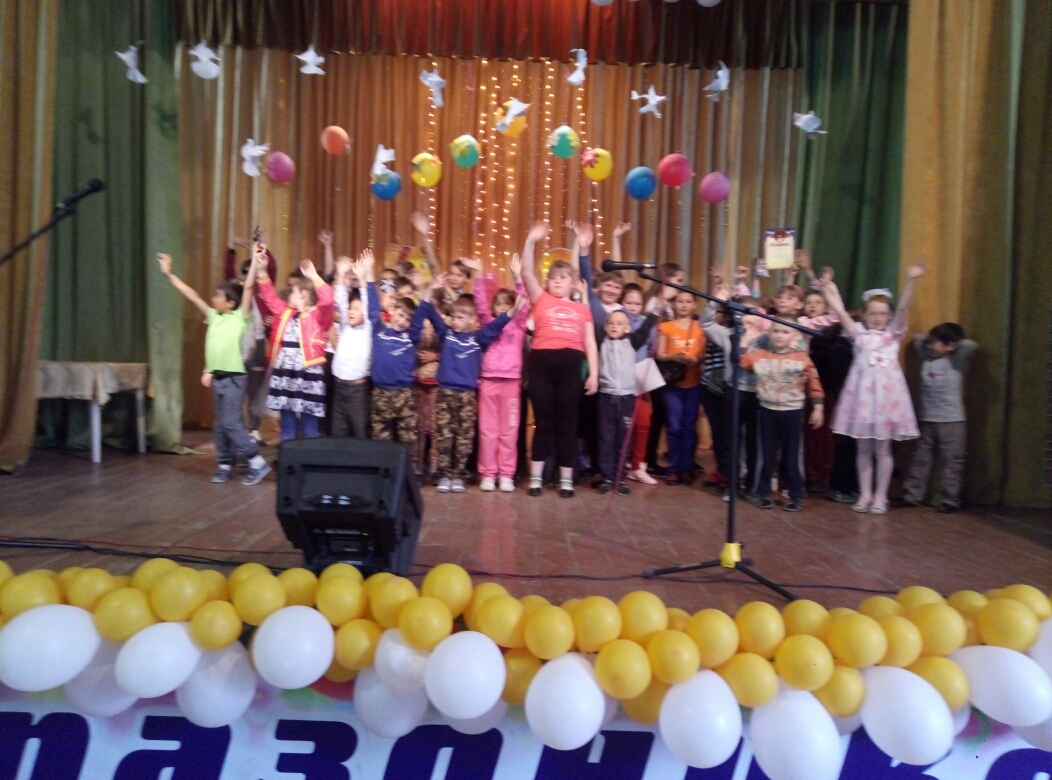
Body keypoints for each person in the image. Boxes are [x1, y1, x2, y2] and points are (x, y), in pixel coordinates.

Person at [818, 265, 926, 514]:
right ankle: (865, 494)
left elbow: (903, 308)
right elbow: (839, 310)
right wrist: (827, 288)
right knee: (863, 449)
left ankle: (880, 496)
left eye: (883, 313)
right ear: (865, 315)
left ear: (889, 316)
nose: (878, 317)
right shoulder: (858, 334)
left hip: (886, 401)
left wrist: (911, 281)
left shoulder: (893, 335)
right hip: (863, 400)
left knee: (883, 449)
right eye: (873, 313)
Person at [157, 249, 271, 485]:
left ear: (230, 303)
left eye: (218, 296)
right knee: (219, 424)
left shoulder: (240, 317)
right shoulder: (214, 316)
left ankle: (256, 460)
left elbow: (248, 289)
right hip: (219, 377)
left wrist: (254, 261)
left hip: (235, 378)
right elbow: (192, 295)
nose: (213, 299)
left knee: (231, 422)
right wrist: (169, 274)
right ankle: (224, 463)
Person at [419, 273, 524, 493]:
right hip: (445, 393)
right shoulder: (446, 334)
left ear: (471, 319)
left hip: (467, 396)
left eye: (460, 318)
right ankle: (444, 474)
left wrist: (513, 311)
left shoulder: (478, 339)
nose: (455, 321)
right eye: (453, 317)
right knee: (444, 435)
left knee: (464, 438)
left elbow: (496, 326)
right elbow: (429, 311)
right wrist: (430, 288)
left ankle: (458, 475)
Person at [521, 221, 599, 498]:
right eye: (553, 277)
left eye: (563, 277)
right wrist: (531, 240)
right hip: (542, 365)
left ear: (572, 282)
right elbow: (526, 272)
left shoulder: (582, 308)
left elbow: (590, 342)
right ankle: (536, 479)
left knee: (567, 424)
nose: (557, 281)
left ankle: (566, 480)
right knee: (543, 423)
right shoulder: (541, 299)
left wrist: (594, 374)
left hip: (570, 367)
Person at [461, 254, 531, 493]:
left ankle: (506, 474)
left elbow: (523, 304)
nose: (503, 307)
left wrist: (517, 277)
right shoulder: (488, 323)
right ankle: (488, 474)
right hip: (489, 381)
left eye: (507, 303)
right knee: (488, 431)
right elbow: (480, 302)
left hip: (511, 384)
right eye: (499, 303)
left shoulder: (518, 324)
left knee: (508, 432)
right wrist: (479, 274)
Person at [740, 321, 825, 510]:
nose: (779, 335)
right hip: (767, 410)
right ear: (769, 333)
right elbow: (742, 361)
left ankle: (796, 494)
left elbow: (814, 381)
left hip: (793, 412)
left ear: (795, 335)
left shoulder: (802, 358)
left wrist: (818, 407)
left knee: (792, 455)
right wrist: (745, 342)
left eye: (785, 332)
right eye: (776, 331)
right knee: (765, 455)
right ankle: (761, 493)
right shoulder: (761, 355)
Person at [253, 251, 334, 441]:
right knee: (287, 422)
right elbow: (270, 298)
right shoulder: (286, 313)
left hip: (307, 373)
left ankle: (308, 455)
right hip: (286, 373)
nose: (289, 293)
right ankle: (287, 454)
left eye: (293, 291)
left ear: (303, 294)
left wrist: (313, 276)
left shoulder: (318, 315)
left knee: (309, 425)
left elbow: (328, 300)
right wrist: (262, 271)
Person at [899, 323, 976, 512]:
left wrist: (952, 345)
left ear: (951, 346)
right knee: (921, 459)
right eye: (930, 342)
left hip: (952, 421)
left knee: (952, 461)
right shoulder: (926, 357)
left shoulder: (956, 361)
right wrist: (933, 341)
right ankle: (912, 496)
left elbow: (970, 345)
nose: (930, 345)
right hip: (928, 419)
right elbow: (918, 339)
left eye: (935, 342)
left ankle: (950, 500)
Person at [700, 287, 766, 500]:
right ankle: (732, 483)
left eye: (751, 313)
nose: (747, 318)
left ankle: (752, 485)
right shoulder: (729, 335)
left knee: (754, 441)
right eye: (741, 313)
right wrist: (714, 302)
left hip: (757, 394)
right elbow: (705, 323)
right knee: (731, 440)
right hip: (733, 392)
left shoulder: (765, 339)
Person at [363, 249, 427, 459]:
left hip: (404, 394)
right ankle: (383, 471)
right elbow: (373, 306)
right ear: (392, 312)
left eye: (407, 319)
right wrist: (369, 272)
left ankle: (408, 472)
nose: (402, 321)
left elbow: (422, 312)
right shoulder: (379, 329)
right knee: (381, 440)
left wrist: (424, 289)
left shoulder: (411, 335)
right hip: (381, 393)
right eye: (400, 315)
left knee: (407, 440)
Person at [597, 308, 659, 495]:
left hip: (626, 399)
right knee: (606, 439)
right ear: (605, 327)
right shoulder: (602, 341)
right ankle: (607, 478)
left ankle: (619, 478)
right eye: (611, 323)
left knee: (623, 440)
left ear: (628, 328)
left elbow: (645, 328)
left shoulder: (631, 341)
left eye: (619, 323)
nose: (614, 326)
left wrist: (657, 308)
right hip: (606, 397)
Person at [657, 291, 705, 485]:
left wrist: (695, 359)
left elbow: (703, 354)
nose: (684, 305)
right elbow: (659, 353)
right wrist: (673, 357)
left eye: (688, 302)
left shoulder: (700, 327)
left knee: (688, 428)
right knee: (674, 427)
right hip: (673, 385)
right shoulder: (665, 327)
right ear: (673, 304)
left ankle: (686, 467)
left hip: (693, 384)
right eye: (680, 301)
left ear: (694, 305)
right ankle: (673, 468)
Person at [331, 252, 373, 438]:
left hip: (357, 391)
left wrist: (363, 277)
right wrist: (341, 273)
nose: (350, 311)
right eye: (350, 308)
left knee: (360, 433)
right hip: (339, 387)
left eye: (356, 309)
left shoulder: (367, 328)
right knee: (337, 433)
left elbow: (369, 304)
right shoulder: (345, 326)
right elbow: (341, 300)